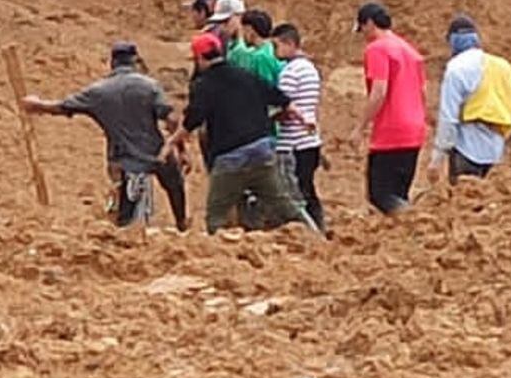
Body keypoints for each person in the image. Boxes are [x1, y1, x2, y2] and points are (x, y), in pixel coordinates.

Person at [23, 42, 176, 231]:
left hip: (123, 160)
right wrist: (177, 146)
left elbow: (62, 107)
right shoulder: (150, 86)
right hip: (157, 154)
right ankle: (182, 222)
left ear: (112, 63)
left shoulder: (98, 92)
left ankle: (127, 230)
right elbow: (171, 120)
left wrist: (37, 105)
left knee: (126, 219)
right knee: (175, 185)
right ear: (135, 61)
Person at [176, 32, 312, 233]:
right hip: (261, 151)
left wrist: (172, 141)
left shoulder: (204, 85)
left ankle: (219, 256)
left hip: (230, 159)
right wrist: (301, 116)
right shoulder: (245, 75)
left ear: (200, 58)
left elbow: (192, 120)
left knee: (216, 216)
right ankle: (315, 236)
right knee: (285, 205)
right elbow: (279, 98)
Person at [355, 2, 428, 214]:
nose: (363, 35)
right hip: (414, 129)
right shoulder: (410, 51)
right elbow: (423, 91)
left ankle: (415, 221)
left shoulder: (377, 49)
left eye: (362, 28)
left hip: (391, 130)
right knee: (399, 191)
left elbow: (379, 90)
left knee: (380, 194)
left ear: (369, 23)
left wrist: (360, 127)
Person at [434, 15, 511, 181]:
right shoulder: (503, 66)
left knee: (463, 200)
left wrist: (437, 158)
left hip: (467, 148)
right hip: (496, 150)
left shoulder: (456, 68)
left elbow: (448, 117)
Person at [272, 24, 327, 234]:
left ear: (289, 44)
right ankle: (319, 227)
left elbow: (284, 105)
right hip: (309, 140)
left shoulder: (290, 72)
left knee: (295, 194)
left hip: (292, 141)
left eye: (277, 46)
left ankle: (309, 233)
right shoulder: (310, 68)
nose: (275, 51)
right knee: (308, 189)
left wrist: (271, 116)